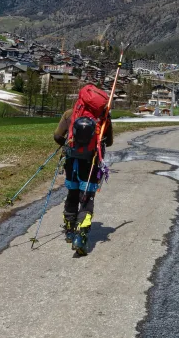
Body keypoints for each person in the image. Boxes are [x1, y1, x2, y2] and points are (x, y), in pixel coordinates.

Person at [53, 84, 113, 254]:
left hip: (72, 162)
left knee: (72, 195)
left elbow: (57, 136)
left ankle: (70, 231)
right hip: (91, 164)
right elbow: (109, 142)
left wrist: (68, 145)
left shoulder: (70, 114)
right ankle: (82, 235)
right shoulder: (103, 118)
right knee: (86, 199)